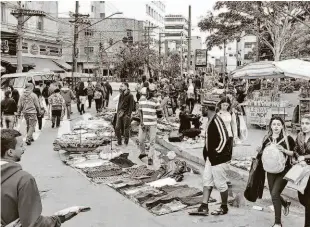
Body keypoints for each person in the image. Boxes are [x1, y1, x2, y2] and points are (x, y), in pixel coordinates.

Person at [1, 129, 63, 226]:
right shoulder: (23, 179)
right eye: (21, 146)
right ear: (10, 152)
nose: (24, 149)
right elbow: (33, 223)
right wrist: (58, 219)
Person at [196, 96, 238, 216]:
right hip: (211, 158)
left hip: (219, 158)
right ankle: (204, 206)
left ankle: (224, 207)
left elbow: (225, 138)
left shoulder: (217, 120)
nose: (201, 110)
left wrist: (216, 153)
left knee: (220, 183)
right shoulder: (210, 120)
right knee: (207, 180)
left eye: (202, 108)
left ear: (207, 108)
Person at [260, 116, 295, 227]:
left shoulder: (288, 138)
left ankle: (277, 223)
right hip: (270, 170)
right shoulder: (267, 138)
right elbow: (262, 153)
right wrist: (260, 150)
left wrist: (284, 150)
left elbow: (295, 153)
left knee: (275, 193)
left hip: (284, 170)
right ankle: (285, 203)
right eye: (274, 124)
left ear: (282, 126)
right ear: (270, 125)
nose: (276, 127)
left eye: (278, 124)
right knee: (273, 194)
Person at [138, 85, 161, 165]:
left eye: (154, 91)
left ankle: (150, 157)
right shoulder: (141, 99)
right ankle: (143, 153)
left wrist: (159, 112)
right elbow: (140, 112)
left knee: (152, 141)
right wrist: (141, 122)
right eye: (152, 91)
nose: (153, 93)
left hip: (153, 124)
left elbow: (159, 112)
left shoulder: (156, 100)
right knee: (141, 140)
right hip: (144, 123)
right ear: (148, 91)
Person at [294, 114, 310, 227]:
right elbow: (295, 149)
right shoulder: (299, 135)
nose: (304, 126)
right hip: (301, 169)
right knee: (301, 198)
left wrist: (305, 158)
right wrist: (298, 158)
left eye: (307, 123)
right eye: (303, 123)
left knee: (308, 201)